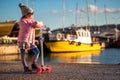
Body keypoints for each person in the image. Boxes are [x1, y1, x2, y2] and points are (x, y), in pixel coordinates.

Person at [18, 3, 44, 73]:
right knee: (23, 54)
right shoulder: (22, 21)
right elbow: (27, 28)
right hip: (23, 40)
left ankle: (33, 64)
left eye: (32, 14)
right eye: (29, 14)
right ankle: (25, 67)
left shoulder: (32, 20)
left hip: (31, 40)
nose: (31, 15)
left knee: (37, 52)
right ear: (25, 14)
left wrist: (40, 25)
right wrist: (34, 24)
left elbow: (37, 24)